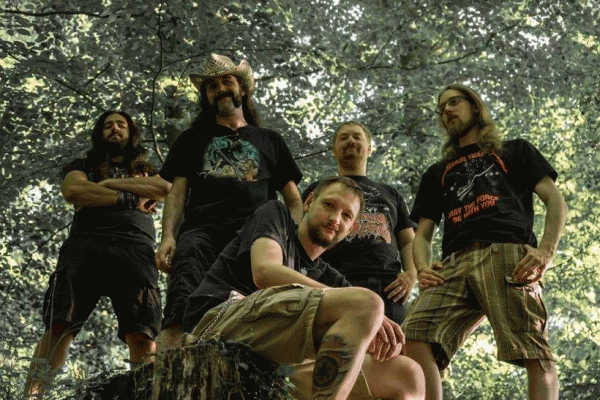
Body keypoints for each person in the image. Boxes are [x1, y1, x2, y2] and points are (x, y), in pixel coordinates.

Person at [182, 176, 425, 400]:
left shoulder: (332, 278)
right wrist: (366, 309)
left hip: (283, 362)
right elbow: (265, 272)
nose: (335, 218)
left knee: (408, 374)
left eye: (346, 216)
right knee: (368, 302)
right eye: (329, 205)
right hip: (221, 324)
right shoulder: (276, 216)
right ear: (309, 202)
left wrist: (384, 338)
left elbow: (360, 336)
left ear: (351, 228)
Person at [401, 83, 567, 400]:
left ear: (475, 107)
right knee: (413, 335)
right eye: (441, 109)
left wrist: (546, 251)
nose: (447, 111)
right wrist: (422, 268)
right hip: (453, 263)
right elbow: (422, 234)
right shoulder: (437, 172)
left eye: (454, 102)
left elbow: (555, 200)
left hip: (506, 252)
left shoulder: (515, 150)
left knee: (532, 347)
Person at [155, 53, 304, 351]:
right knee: (182, 301)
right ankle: (169, 363)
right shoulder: (192, 139)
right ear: (206, 97)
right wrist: (168, 236)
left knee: (255, 310)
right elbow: (177, 193)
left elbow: (294, 201)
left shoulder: (270, 140)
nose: (221, 88)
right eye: (212, 86)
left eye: (227, 81)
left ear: (243, 89)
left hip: (255, 238)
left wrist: (290, 240)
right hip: (201, 232)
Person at [24, 111, 172, 398]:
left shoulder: (147, 168)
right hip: (85, 246)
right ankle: (31, 396)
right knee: (59, 324)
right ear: (99, 133)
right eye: (108, 125)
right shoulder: (82, 165)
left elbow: (163, 188)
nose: (114, 129)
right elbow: (74, 190)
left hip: (135, 248)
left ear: (131, 132)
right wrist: (129, 197)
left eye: (121, 124)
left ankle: (147, 395)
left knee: (142, 332)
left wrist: (105, 186)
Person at [303, 121, 417, 324]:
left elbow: (408, 241)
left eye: (357, 136)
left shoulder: (391, 194)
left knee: (389, 343)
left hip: (388, 287)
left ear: (369, 149)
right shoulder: (320, 189)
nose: (351, 141)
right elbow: (301, 234)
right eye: (343, 137)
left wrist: (411, 273)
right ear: (333, 150)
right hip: (331, 281)